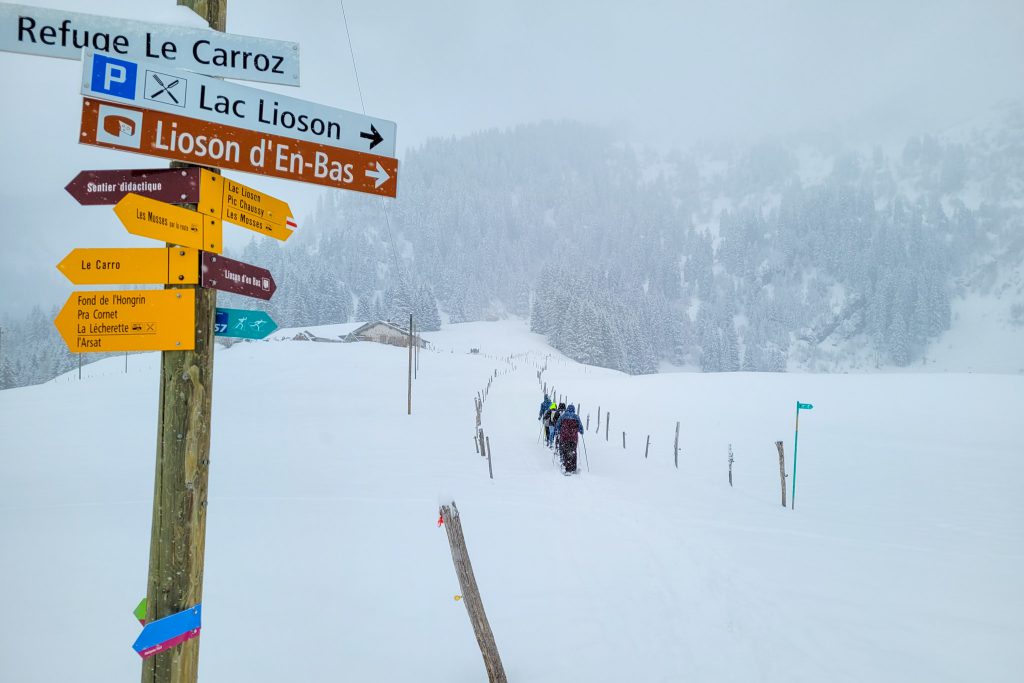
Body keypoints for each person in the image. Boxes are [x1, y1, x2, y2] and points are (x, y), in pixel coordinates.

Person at [553, 404, 584, 473]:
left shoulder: (563, 416)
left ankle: (566, 466)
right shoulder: (576, 417)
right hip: (574, 438)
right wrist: (581, 431)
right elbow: (581, 428)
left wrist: (556, 432)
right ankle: (573, 467)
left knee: (565, 451)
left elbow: (558, 425)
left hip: (564, 437)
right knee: (573, 451)